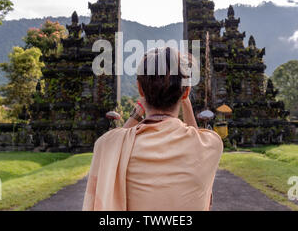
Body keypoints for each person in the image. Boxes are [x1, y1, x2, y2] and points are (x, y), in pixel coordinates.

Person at [83, 47, 223, 211]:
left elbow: (116, 137)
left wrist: (136, 113)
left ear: (140, 89)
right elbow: (197, 137)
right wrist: (184, 96)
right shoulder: (211, 144)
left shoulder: (107, 145)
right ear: (186, 92)